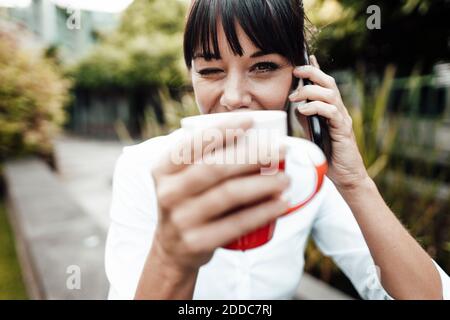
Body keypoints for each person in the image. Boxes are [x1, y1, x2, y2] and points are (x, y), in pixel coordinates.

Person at [104, 0, 450, 300]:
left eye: (263, 67)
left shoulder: (307, 171)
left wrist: (355, 182)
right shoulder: (143, 169)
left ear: (300, 77)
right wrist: (171, 255)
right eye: (210, 71)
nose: (234, 97)